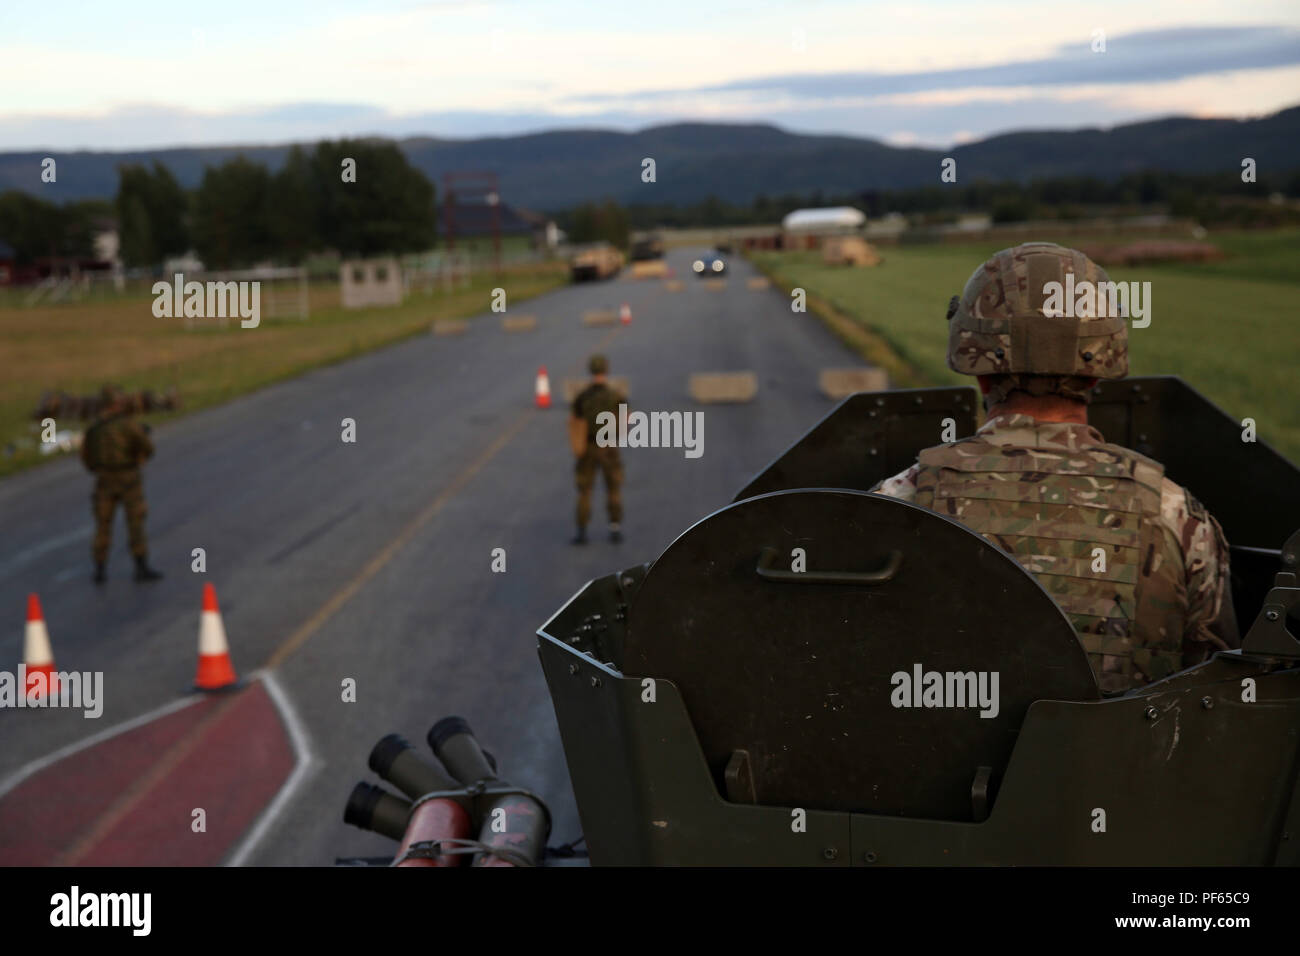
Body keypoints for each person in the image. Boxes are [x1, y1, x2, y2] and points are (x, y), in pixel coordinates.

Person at [871, 242, 1237, 693]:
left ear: (979, 370)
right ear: (1097, 372)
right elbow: (1219, 696)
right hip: (1116, 764)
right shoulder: (1178, 516)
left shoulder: (901, 500)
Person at [80, 384, 163, 583]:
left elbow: (86, 457)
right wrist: (138, 458)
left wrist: (98, 469)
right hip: (128, 478)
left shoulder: (94, 429)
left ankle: (100, 569)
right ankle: (141, 567)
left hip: (104, 480)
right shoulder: (128, 425)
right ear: (117, 402)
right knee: (135, 522)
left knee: (102, 525)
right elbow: (147, 448)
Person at [570, 354, 625, 545]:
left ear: (591, 371)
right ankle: (615, 527)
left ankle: (582, 531)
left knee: (585, 490)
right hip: (608, 445)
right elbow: (624, 421)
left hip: (588, 447)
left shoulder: (582, 397)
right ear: (606, 371)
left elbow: (575, 421)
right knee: (613, 488)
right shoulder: (615, 396)